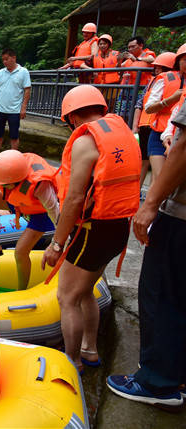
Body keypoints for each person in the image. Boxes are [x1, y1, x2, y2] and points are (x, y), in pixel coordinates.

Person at [42, 85, 140, 372]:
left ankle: (72, 361)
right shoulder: (125, 135)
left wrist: (56, 244)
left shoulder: (86, 142)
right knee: (85, 292)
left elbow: (73, 199)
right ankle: (90, 349)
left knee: (67, 297)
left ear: (72, 116)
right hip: (119, 227)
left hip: (91, 232)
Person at [106, 102, 186, 410]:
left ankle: (155, 381)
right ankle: (177, 375)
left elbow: (182, 149)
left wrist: (151, 203)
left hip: (180, 219)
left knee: (162, 295)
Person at [0, 150, 59, 291]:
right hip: (18, 203)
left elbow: (55, 212)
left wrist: (58, 243)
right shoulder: (9, 169)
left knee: (20, 252)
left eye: (5, 185)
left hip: (40, 214)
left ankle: (21, 290)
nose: (1, 185)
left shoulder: (41, 185)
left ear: (17, 180)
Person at [131, 52, 177, 187]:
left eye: (160, 67)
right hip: (146, 126)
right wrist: (135, 126)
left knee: (155, 168)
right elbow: (140, 104)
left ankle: (150, 195)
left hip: (162, 128)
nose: (156, 70)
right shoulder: (153, 82)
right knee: (144, 161)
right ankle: (137, 192)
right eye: (155, 67)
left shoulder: (174, 82)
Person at [142, 43, 186, 179]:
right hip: (159, 135)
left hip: (181, 138)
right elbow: (148, 108)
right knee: (160, 178)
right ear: (178, 61)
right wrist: (171, 99)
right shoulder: (166, 78)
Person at [0, 48, 31, 154]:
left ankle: (13, 158)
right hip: (0, 109)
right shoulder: (0, 72)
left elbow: (27, 90)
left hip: (15, 111)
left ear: (14, 58)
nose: (4, 62)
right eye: (3, 60)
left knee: (14, 136)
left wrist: (23, 108)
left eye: (6, 59)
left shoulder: (23, 72)